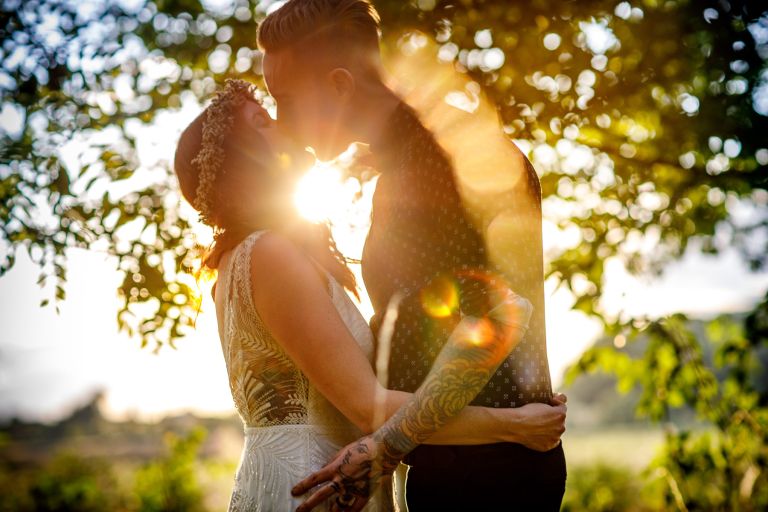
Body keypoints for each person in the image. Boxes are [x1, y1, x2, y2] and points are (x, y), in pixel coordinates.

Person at [172, 79, 567, 511]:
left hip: (307, 478)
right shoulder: (269, 254)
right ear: (241, 163)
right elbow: (370, 409)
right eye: (264, 120)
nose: (285, 121)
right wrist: (514, 423)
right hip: (316, 485)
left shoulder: (249, 259)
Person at [257, 1, 568, 510]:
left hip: (488, 478)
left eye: (286, 99)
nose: (281, 121)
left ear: (339, 86)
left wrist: (380, 451)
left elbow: (497, 320)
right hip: (464, 466)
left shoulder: (439, 162)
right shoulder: (407, 163)